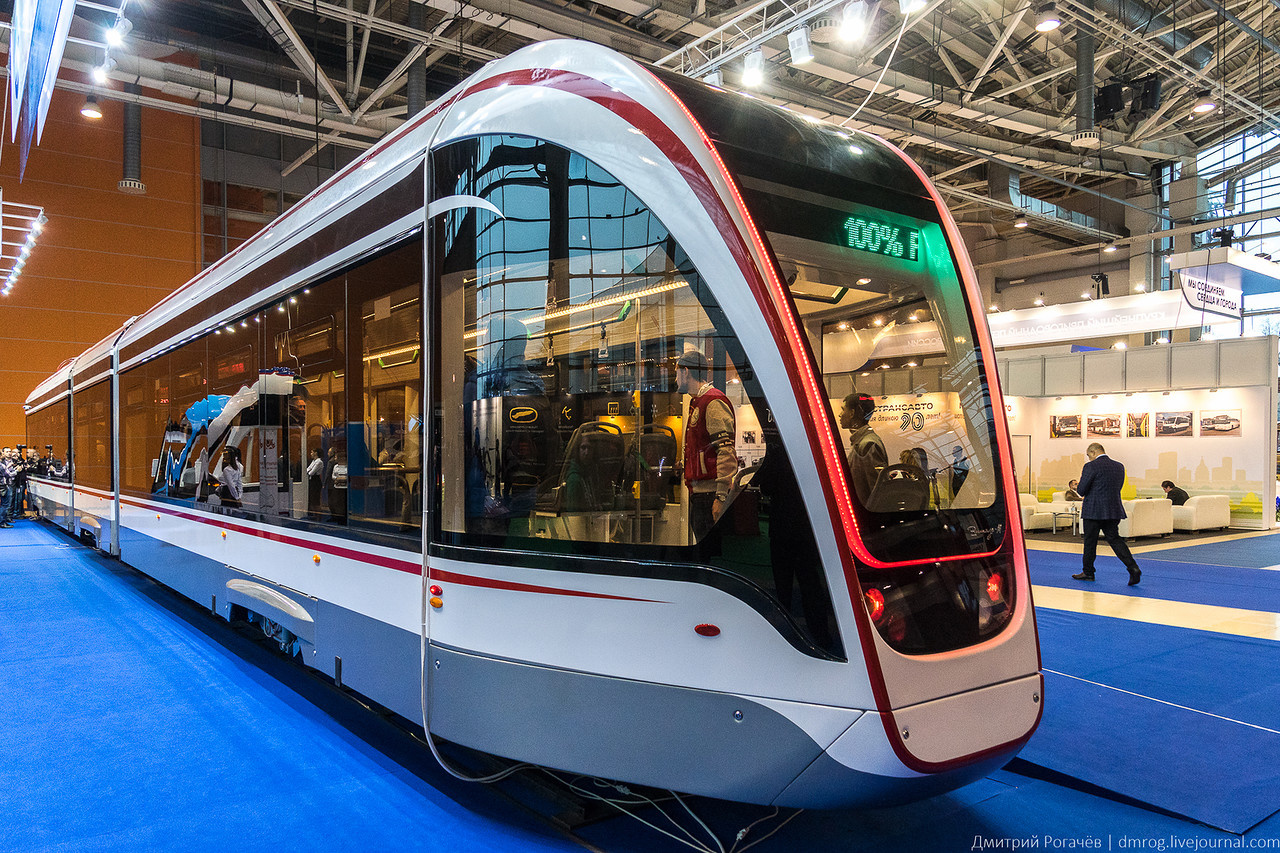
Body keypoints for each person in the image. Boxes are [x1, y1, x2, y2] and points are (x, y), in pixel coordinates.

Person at [676, 349, 736, 545]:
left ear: (686, 371)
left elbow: (726, 451)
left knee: (709, 552)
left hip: (710, 496)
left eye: (677, 373)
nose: (675, 379)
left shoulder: (713, 402)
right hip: (701, 494)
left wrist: (720, 496)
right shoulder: (699, 402)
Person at [1072, 442, 1141, 585]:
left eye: (1088, 455)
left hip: (1093, 510)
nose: (1089, 458)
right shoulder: (1119, 466)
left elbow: (1081, 490)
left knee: (1090, 542)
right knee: (1115, 539)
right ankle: (1133, 567)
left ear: (1093, 452)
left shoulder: (1090, 466)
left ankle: (1088, 572)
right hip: (1113, 509)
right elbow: (1117, 487)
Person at [839, 393, 886, 504]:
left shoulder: (868, 444)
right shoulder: (860, 442)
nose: (840, 415)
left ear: (852, 413)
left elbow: (877, 492)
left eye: (843, 410)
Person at [306, 448, 325, 515]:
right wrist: (309, 471)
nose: (310, 454)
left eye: (312, 452)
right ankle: (314, 514)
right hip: (312, 481)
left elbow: (311, 472)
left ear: (316, 453)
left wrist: (309, 471)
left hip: (316, 482)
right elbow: (307, 469)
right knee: (312, 499)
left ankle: (318, 515)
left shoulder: (319, 462)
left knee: (316, 500)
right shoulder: (313, 461)